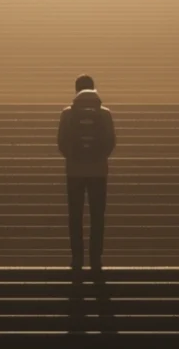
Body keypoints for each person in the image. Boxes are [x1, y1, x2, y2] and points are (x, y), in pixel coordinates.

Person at [57, 74, 116, 273]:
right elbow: (111, 141)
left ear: (76, 90)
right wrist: (98, 158)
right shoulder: (105, 113)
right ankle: (96, 258)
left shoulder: (67, 114)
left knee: (75, 215)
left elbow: (61, 142)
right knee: (97, 215)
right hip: (99, 171)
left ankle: (76, 258)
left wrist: (75, 158)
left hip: (74, 171)